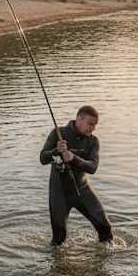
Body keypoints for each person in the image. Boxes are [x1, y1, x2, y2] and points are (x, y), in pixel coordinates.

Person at [39, 105, 113, 246]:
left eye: (95, 125)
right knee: (59, 239)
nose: (93, 128)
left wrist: (73, 158)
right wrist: (56, 151)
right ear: (79, 118)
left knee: (105, 229)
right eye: (90, 124)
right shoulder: (58, 133)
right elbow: (42, 159)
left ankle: (105, 263)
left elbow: (92, 167)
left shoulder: (93, 141)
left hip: (82, 190)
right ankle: (57, 264)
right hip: (59, 194)